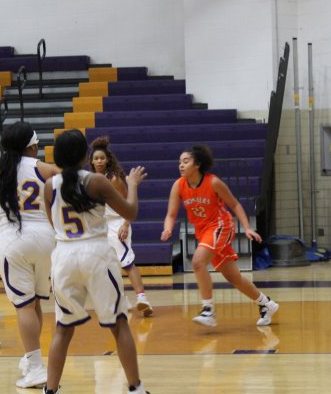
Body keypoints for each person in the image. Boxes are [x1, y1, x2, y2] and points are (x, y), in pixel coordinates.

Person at [42, 130, 149, 394]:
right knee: (118, 322)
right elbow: (131, 212)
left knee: (63, 328)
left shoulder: (49, 186)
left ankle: (50, 390)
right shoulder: (97, 181)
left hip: (64, 255)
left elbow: (52, 222)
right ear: (84, 156)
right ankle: (135, 388)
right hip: (96, 253)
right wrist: (133, 183)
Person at [0, 122, 59, 388]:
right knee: (35, 302)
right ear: (33, 146)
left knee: (23, 305)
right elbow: (69, 186)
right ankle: (31, 357)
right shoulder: (44, 168)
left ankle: (36, 368)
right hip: (47, 239)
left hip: (12, 239)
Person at [161, 144, 279, 327]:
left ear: (197, 164)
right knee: (234, 277)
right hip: (204, 232)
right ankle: (266, 303)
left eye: (186, 161)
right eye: (179, 162)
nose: (181, 165)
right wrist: (167, 229)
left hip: (221, 226)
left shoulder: (213, 182)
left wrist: (247, 228)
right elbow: (170, 214)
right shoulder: (178, 185)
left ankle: (208, 310)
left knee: (198, 261)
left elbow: (235, 205)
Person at [89, 136, 153, 317]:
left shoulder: (114, 178)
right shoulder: (91, 179)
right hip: (101, 226)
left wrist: (126, 223)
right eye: (96, 158)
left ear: (107, 159)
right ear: (91, 162)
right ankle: (121, 299)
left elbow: (127, 202)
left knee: (127, 262)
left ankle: (142, 298)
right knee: (107, 266)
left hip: (118, 222)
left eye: (102, 158)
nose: (99, 161)